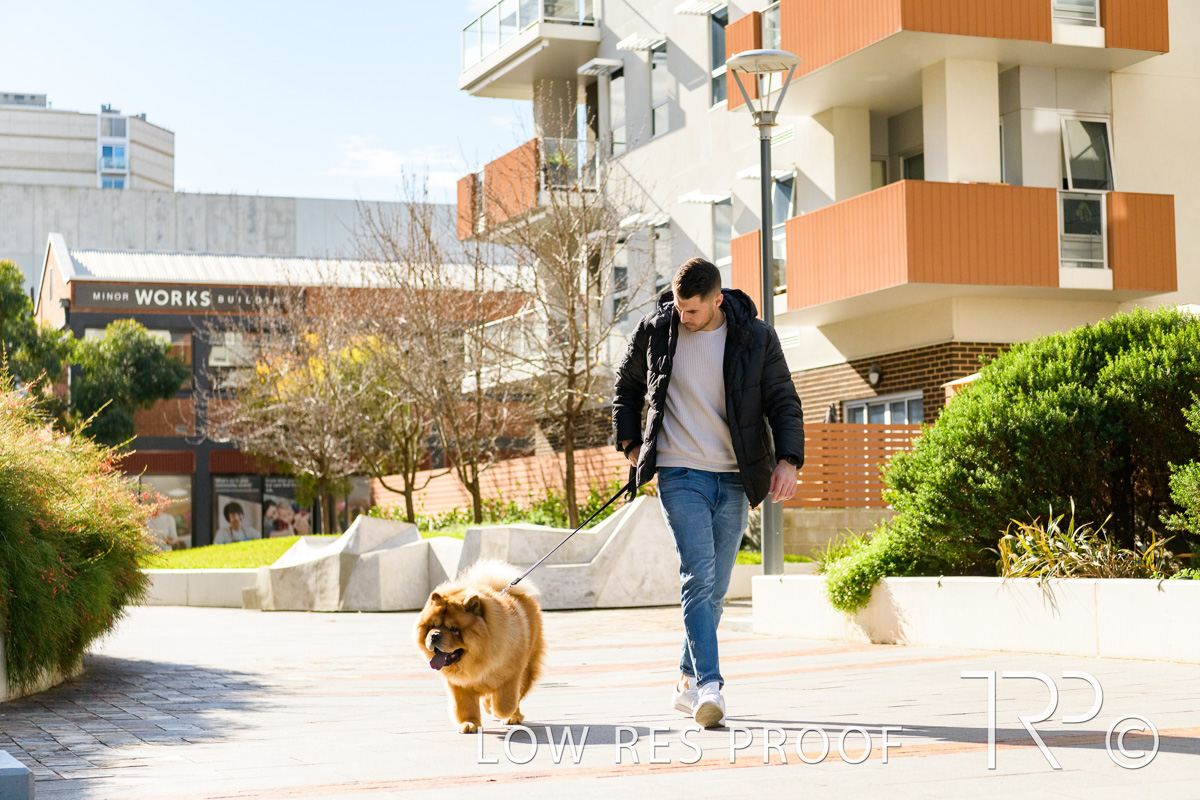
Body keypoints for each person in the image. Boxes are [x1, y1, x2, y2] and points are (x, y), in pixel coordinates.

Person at [613, 257, 804, 729]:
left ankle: (685, 679)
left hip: (735, 476)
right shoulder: (657, 329)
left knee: (716, 589)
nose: (684, 317)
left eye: (693, 310)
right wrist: (632, 445)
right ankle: (709, 686)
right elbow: (626, 387)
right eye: (679, 307)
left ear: (717, 300)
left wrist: (788, 460)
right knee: (697, 577)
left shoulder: (756, 337)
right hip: (680, 474)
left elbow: (783, 399)